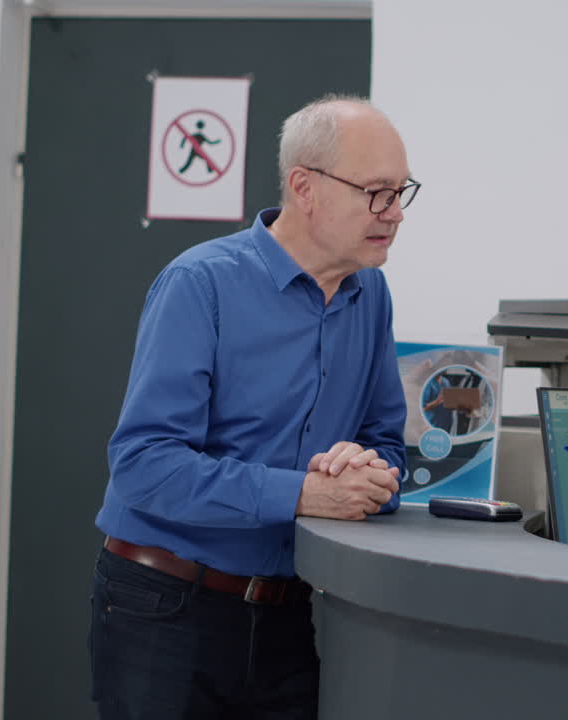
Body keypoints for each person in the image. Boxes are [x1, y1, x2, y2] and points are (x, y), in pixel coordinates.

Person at [88, 95, 419, 718]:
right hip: (165, 607)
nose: (395, 213)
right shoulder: (200, 283)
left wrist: (369, 476)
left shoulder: (370, 293)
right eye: (377, 192)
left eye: (401, 192)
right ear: (305, 187)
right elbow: (143, 465)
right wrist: (304, 493)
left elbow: (387, 447)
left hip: (288, 614)